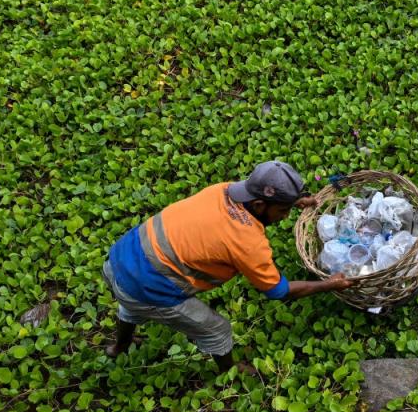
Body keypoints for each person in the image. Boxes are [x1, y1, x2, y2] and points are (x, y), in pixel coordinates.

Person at [101, 160, 355, 374]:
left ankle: (118, 347)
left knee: (130, 302)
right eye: (283, 210)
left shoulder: (222, 190)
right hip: (145, 286)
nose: (285, 216)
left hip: (118, 260)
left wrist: (294, 200)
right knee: (217, 330)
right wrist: (329, 284)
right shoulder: (247, 242)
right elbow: (279, 290)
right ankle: (229, 372)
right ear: (259, 206)